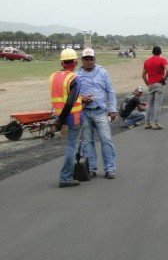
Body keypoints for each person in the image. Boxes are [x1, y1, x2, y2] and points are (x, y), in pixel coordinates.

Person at [77, 48, 118, 179]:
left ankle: (110, 168)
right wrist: (82, 98)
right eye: (86, 59)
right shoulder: (76, 75)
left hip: (100, 111)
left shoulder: (102, 72)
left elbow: (110, 91)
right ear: (82, 60)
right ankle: (91, 168)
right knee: (87, 142)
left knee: (106, 139)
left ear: (95, 59)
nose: (89, 61)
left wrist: (112, 109)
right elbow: (73, 95)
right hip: (85, 112)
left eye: (91, 59)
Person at [49, 48, 85, 188]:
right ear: (75, 62)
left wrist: (59, 119)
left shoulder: (53, 77)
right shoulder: (74, 78)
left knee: (73, 144)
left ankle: (71, 170)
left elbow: (60, 98)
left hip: (60, 115)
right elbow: (70, 101)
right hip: (73, 116)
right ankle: (65, 177)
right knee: (72, 145)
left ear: (62, 62)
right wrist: (60, 121)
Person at [142, 45, 168, 130]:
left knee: (150, 104)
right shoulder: (162, 60)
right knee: (157, 104)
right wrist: (164, 79)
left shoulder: (147, 61)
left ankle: (147, 123)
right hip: (159, 83)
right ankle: (156, 123)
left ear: (152, 52)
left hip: (151, 84)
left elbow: (143, 75)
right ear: (160, 52)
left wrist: (148, 84)